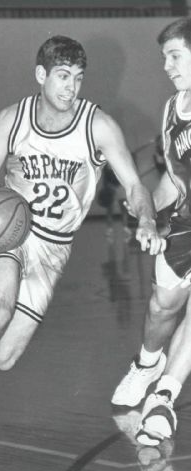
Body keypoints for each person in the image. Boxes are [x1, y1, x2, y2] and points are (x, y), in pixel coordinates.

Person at [0, 35, 164, 468]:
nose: (71, 87)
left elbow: (134, 185)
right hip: (10, 232)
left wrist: (145, 217)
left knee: (4, 356)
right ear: (41, 75)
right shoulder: (12, 120)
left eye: (77, 78)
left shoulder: (97, 125)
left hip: (54, 249)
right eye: (62, 77)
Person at [111, 18, 191, 446]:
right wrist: (148, 218)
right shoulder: (172, 110)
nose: (166, 65)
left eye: (175, 55)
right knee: (163, 307)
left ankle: (163, 397)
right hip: (186, 221)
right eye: (164, 57)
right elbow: (175, 181)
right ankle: (147, 366)